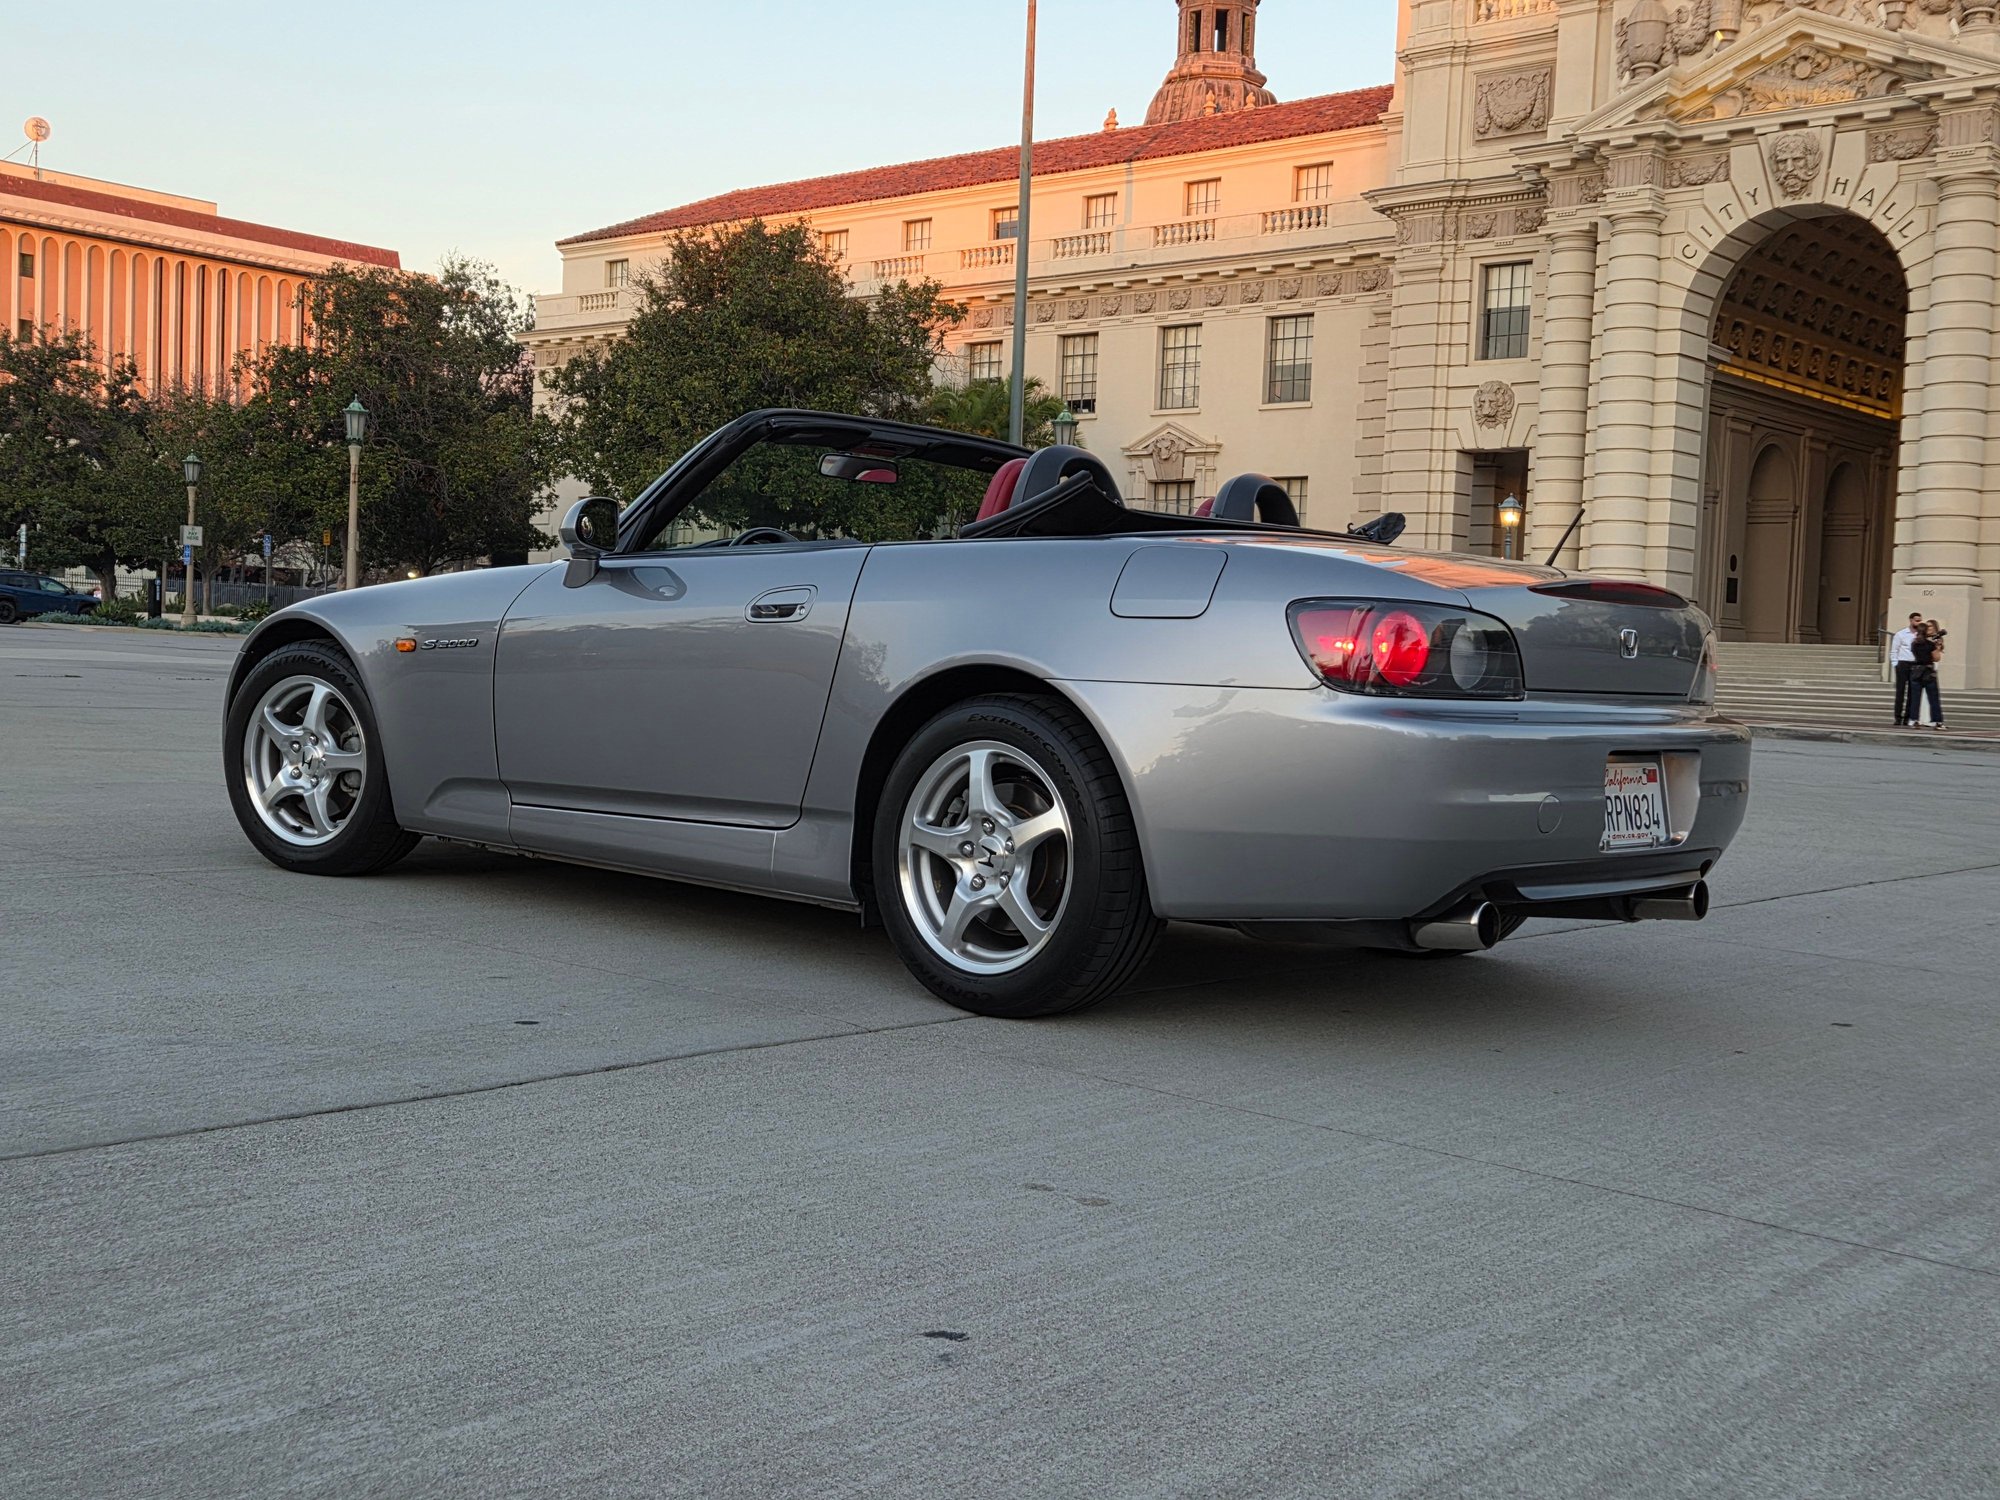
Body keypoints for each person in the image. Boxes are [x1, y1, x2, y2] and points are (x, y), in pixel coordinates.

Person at [1908, 619, 1945, 731]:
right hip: (1928, 671)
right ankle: (1937, 721)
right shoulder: (1930, 644)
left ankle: (1914, 720)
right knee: (1933, 698)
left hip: (1916, 671)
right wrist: (1937, 648)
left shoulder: (1914, 643)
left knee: (1915, 698)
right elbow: (1936, 658)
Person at [1890, 611, 1923, 726]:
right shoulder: (1901, 634)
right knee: (1900, 691)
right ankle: (1897, 717)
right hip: (1903, 663)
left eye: (1920, 620)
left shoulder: (1920, 635)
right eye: (1916, 620)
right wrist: (1895, 664)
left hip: (1915, 664)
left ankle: (1907, 717)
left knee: (1912, 692)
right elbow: (1894, 650)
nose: (1918, 622)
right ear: (1911, 620)